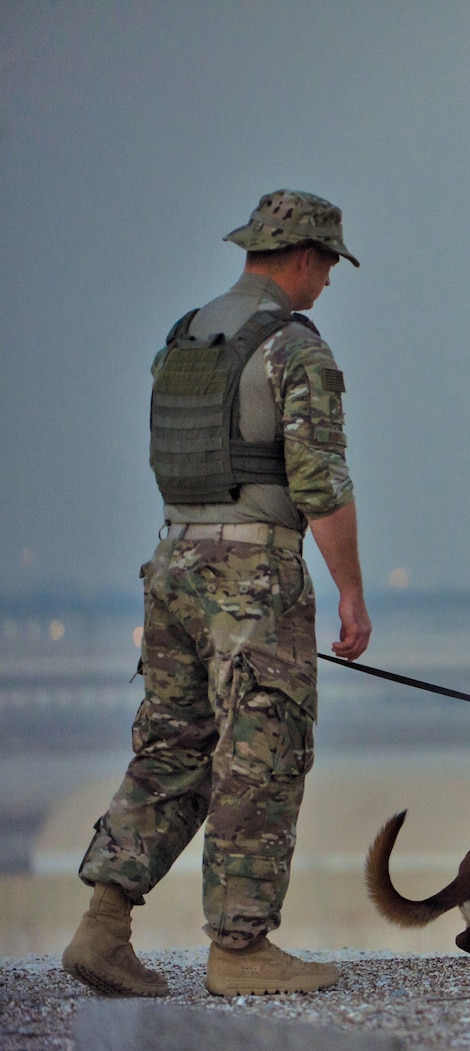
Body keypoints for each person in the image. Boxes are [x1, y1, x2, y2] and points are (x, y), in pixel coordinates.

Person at [61, 190, 372, 997]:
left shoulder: (185, 337)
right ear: (304, 257)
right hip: (253, 575)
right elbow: (319, 482)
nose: (329, 283)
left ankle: (103, 926)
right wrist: (350, 595)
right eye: (330, 266)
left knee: (172, 748)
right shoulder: (296, 347)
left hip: (172, 561)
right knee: (260, 757)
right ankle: (241, 949)